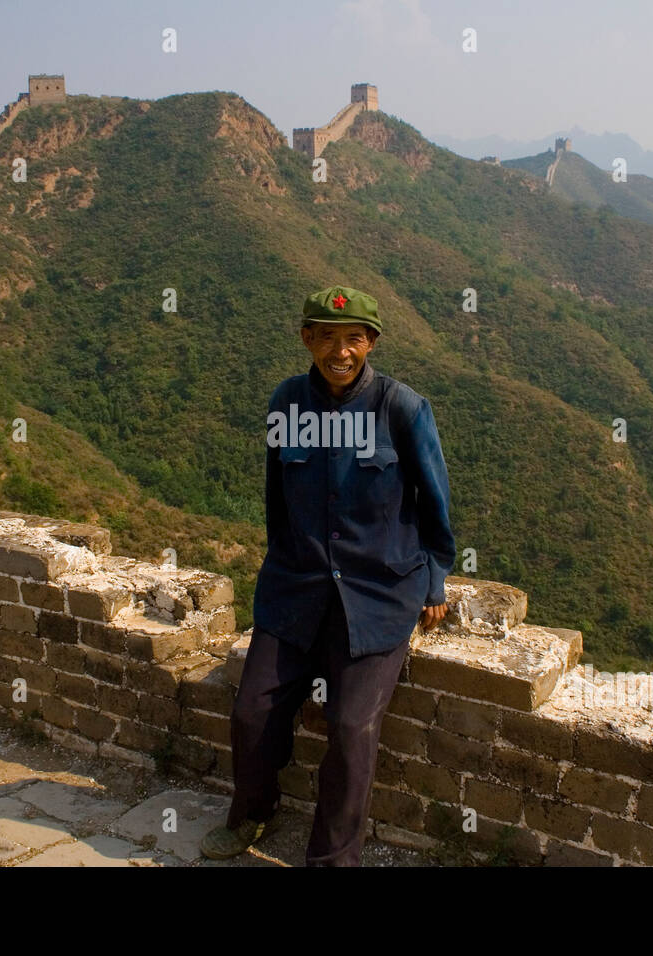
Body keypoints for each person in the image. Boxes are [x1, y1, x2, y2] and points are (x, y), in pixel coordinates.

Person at [200, 284, 455, 866]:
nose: (341, 352)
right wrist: (281, 565)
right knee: (252, 711)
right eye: (328, 338)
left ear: (370, 344)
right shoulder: (286, 404)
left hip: (379, 595)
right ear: (307, 339)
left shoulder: (403, 409)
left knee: (350, 726)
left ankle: (332, 858)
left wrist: (436, 579)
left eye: (354, 340)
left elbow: (435, 503)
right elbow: (276, 498)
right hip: (297, 590)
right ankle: (252, 815)